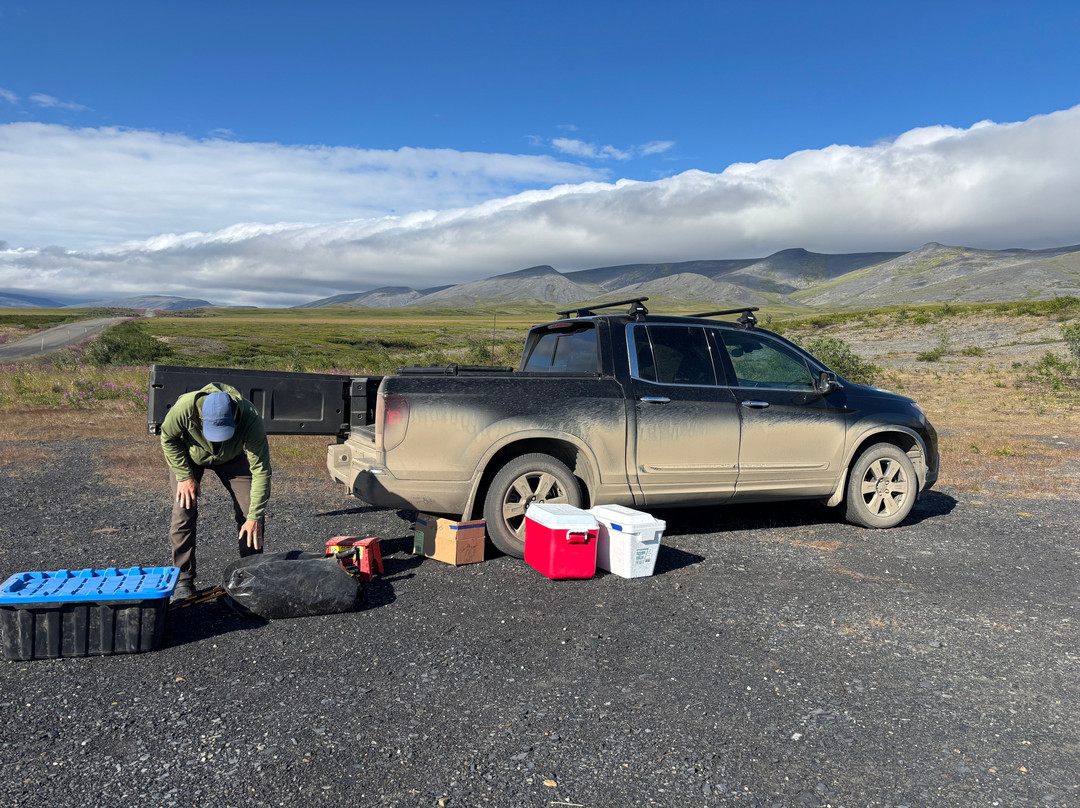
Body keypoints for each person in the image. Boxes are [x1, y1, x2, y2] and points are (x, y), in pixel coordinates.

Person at [160, 383, 272, 601]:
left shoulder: (250, 417)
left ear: (236, 412)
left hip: (232, 458)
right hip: (190, 458)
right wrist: (184, 475)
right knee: (183, 512)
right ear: (201, 414)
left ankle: (250, 574)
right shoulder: (185, 408)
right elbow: (168, 438)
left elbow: (261, 470)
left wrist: (255, 516)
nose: (216, 437)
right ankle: (183, 578)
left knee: (251, 512)